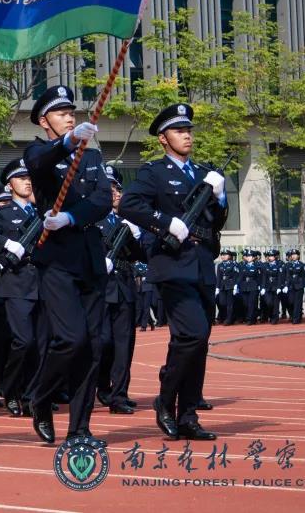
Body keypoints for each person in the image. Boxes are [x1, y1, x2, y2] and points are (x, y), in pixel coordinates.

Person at [120, 103, 227, 441]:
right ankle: (166, 400)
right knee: (192, 335)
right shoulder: (153, 173)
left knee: (198, 342)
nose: (187, 135)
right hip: (172, 265)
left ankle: (188, 415)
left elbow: (216, 221)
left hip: (201, 266)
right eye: (180, 131)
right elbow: (128, 205)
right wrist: (167, 223)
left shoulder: (203, 173)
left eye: (189, 130)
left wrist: (221, 199)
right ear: (163, 139)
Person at [22, 85, 111, 446]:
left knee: (92, 345)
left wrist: (73, 217)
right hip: (56, 261)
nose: (70, 117)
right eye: (61, 113)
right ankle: (40, 397)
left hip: (89, 256)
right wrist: (67, 142)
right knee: (70, 339)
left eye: (72, 112)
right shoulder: (38, 152)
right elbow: (39, 162)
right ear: (45, 121)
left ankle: (80, 428)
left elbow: (103, 200)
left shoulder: (91, 157)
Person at [0, 159, 38, 418]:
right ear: (9, 184)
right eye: (20, 177)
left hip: (44, 284)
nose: (27, 181)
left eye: (29, 177)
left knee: (41, 344)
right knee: (23, 341)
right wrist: (6, 245)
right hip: (16, 283)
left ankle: (32, 394)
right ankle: (11, 390)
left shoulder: (41, 213)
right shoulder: (1, 214)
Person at [95, 164, 144, 415]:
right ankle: (102, 385)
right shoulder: (92, 218)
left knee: (124, 344)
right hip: (100, 286)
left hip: (124, 284)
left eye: (116, 188)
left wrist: (135, 236)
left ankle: (119, 395)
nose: (114, 193)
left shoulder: (126, 222)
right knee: (103, 342)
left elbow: (140, 254)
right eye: (109, 188)